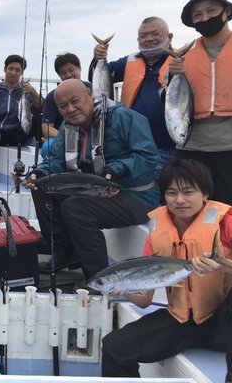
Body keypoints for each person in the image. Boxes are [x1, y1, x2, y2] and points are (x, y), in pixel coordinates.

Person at [101, 158, 232, 380]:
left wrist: (224, 267)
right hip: (182, 321)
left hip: (223, 321)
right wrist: (125, 289)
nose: (179, 200)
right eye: (172, 193)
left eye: (188, 192)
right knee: (114, 347)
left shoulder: (225, 222)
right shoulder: (157, 230)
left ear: (205, 194)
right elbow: (144, 301)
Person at [23, 79, 159, 282]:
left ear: (89, 94)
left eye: (75, 101)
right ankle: (67, 252)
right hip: (95, 191)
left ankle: (99, 279)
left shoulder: (122, 116)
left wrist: (116, 168)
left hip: (135, 195)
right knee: (42, 187)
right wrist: (40, 173)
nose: (70, 109)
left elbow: (148, 157)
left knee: (75, 207)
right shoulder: (68, 126)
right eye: (63, 106)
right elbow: (56, 161)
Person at [168, 0, 232, 206]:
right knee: (194, 211)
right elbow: (167, 101)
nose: (205, 18)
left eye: (211, 10)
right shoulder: (181, 57)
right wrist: (172, 75)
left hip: (229, 149)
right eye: (197, 14)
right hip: (191, 149)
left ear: (226, 12)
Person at [91, 17, 176, 175]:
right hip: (134, 144)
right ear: (138, 40)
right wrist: (98, 59)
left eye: (155, 34)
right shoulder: (129, 61)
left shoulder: (180, 61)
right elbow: (97, 78)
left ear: (169, 37)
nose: (149, 39)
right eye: (143, 36)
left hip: (169, 144)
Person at [41, 52, 90, 158]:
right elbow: (47, 129)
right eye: (63, 72)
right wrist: (69, 139)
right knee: (47, 146)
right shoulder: (52, 96)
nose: (68, 75)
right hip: (64, 138)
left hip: (92, 136)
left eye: (71, 70)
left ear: (79, 68)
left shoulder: (92, 89)